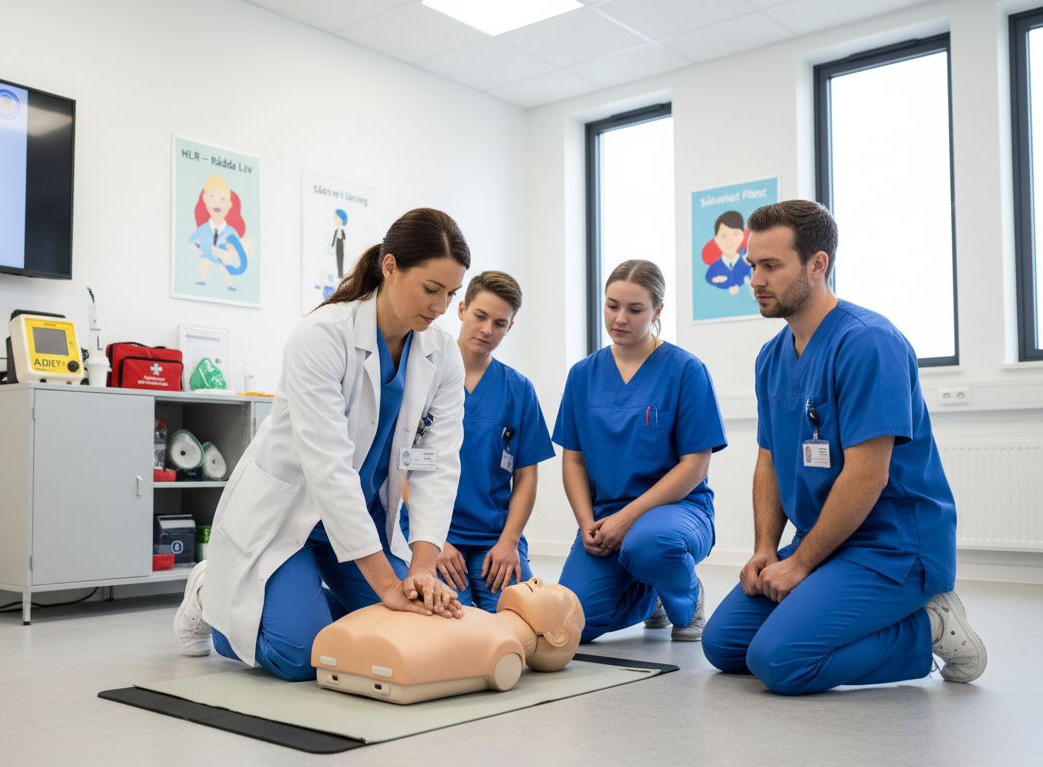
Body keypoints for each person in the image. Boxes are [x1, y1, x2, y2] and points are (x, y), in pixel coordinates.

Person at [701, 199, 987, 694]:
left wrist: (802, 564)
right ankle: (832, 602)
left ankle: (931, 625)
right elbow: (769, 459)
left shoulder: (869, 342)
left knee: (780, 663)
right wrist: (767, 549)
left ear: (817, 264)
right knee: (723, 646)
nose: (755, 280)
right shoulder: (771, 358)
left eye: (771, 266)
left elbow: (867, 475)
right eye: (752, 266)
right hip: (825, 540)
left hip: (893, 546)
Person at [174, 208, 469, 681]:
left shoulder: (442, 355)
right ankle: (214, 596)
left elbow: (437, 464)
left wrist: (421, 570)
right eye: (431, 289)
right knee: (301, 656)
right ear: (390, 267)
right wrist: (387, 587)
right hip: (288, 515)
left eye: (451, 294)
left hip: (361, 519)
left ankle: (301, 602)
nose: (439, 307)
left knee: (422, 624)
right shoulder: (322, 337)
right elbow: (328, 470)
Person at [554, 260, 727, 642]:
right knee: (571, 626)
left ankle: (686, 598)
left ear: (658, 311)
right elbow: (574, 460)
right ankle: (654, 598)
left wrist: (626, 519)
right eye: (612, 305)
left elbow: (695, 466)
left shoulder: (685, 370)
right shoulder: (582, 375)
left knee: (649, 543)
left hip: (677, 513)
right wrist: (587, 523)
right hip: (604, 518)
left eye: (635, 310)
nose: (620, 318)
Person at [401, 271, 554, 612]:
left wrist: (509, 543)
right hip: (431, 531)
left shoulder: (518, 389)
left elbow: (526, 476)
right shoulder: (421, 373)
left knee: (522, 619)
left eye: (500, 323)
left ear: (510, 327)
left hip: (493, 537)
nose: (487, 330)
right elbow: (402, 469)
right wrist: (433, 541)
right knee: (451, 616)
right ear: (461, 309)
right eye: (480, 316)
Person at [311, 577, 584, 704]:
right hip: (372, 646)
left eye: (553, 591)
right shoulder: (483, 620)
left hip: (380, 654)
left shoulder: (503, 643)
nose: (536, 579)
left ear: (556, 637)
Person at [188, 174, 249, 291]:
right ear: (205, 198)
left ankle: (230, 286)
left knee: (225, 270)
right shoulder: (203, 228)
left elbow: (236, 247)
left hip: (222, 257)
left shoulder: (231, 231)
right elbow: (191, 240)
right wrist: (196, 249)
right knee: (205, 264)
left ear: (229, 204)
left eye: (223, 199)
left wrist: (230, 255)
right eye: (212, 197)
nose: (217, 203)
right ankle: (201, 281)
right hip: (206, 254)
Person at [704, 210, 750, 295]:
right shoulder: (715, 267)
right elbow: (709, 278)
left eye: (735, 234)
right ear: (716, 239)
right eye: (723, 235)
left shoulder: (745, 263)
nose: (729, 240)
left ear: (742, 235)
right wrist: (716, 280)